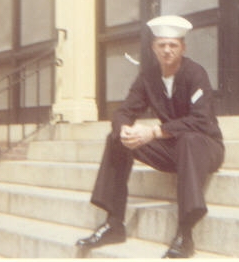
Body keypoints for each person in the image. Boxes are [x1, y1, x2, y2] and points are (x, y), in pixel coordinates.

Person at [75, 15, 224, 259]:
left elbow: (200, 121)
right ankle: (114, 223)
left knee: (188, 139)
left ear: (182, 48)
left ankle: (185, 234)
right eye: (162, 45)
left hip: (206, 148)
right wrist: (124, 129)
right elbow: (124, 111)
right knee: (116, 139)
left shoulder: (195, 73)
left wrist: (154, 131)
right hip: (173, 150)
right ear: (154, 48)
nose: (167, 50)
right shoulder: (148, 77)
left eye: (173, 45)